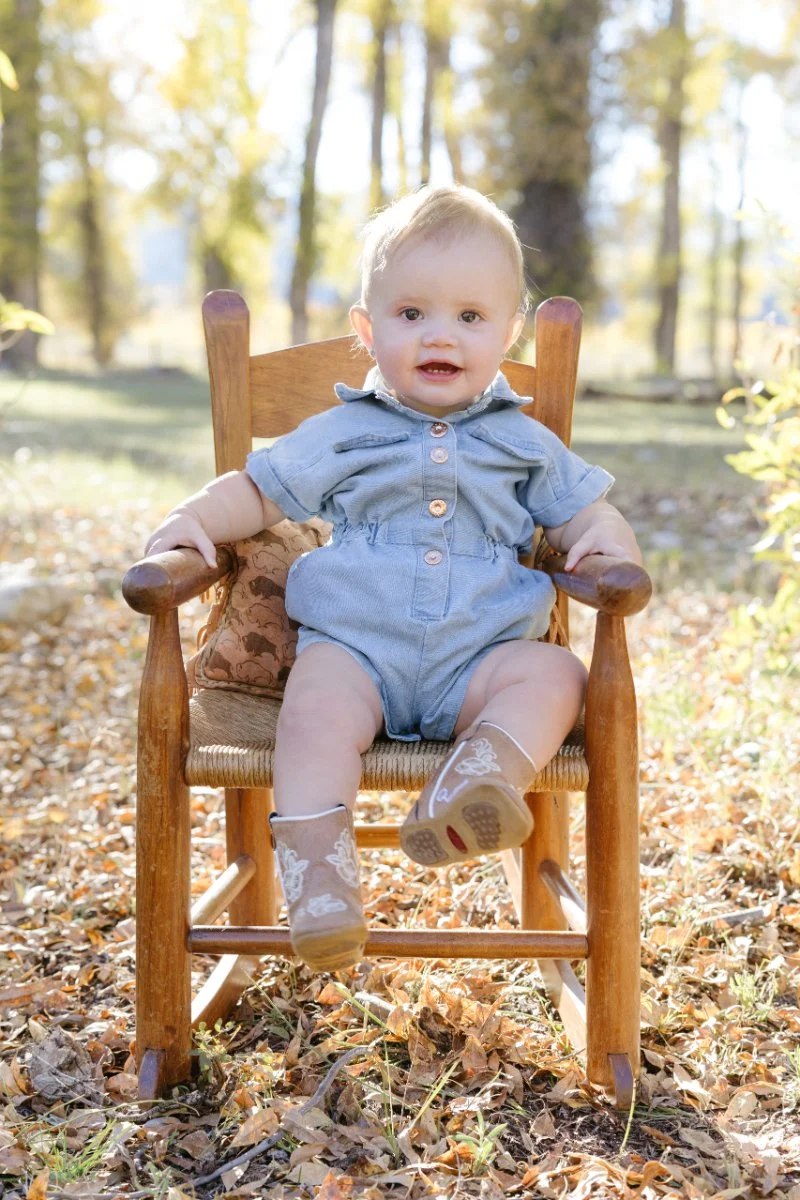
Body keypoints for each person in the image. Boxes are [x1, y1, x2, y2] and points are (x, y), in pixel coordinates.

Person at [145, 185, 642, 973]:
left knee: (554, 673)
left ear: (508, 332)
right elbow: (260, 489)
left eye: (471, 318)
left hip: (479, 663)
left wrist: (610, 551)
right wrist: (196, 520)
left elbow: (586, 512)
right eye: (413, 315)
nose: (440, 335)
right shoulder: (344, 431)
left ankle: (476, 778)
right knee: (311, 714)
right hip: (356, 655)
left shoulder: (524, 442)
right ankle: (321, 881)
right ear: (368, 331)